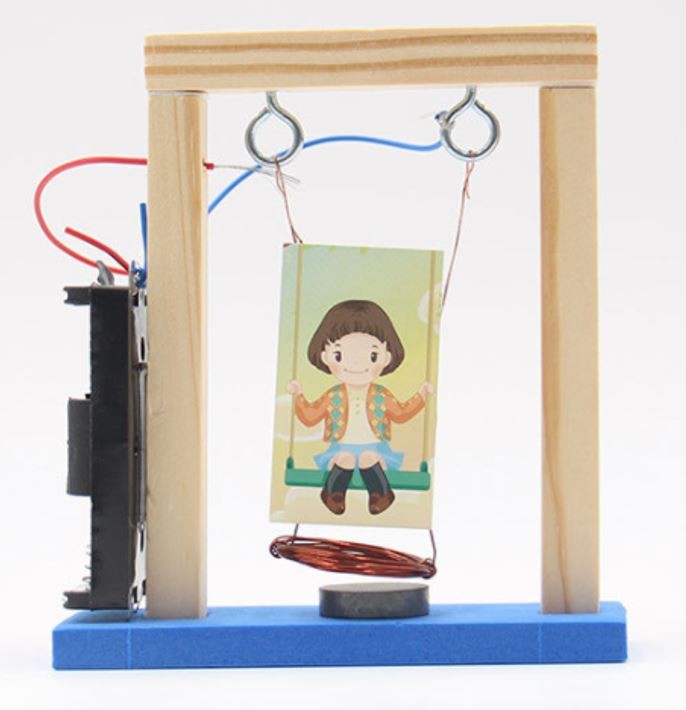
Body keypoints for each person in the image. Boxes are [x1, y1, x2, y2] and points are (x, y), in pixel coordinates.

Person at [288, 300, 433, 516]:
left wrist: (421, 396)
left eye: (372, 355)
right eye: (339, 355)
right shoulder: (333, 396)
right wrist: (298, 395)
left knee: (368, 457)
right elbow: (310, 416)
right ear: (325, 356)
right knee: (345, 458)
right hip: (340, 449)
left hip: (376, 449)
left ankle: (381, 495)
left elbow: (401, 413)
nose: (356, 364)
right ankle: (333, 495)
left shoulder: (381, 396)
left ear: (386, 357)